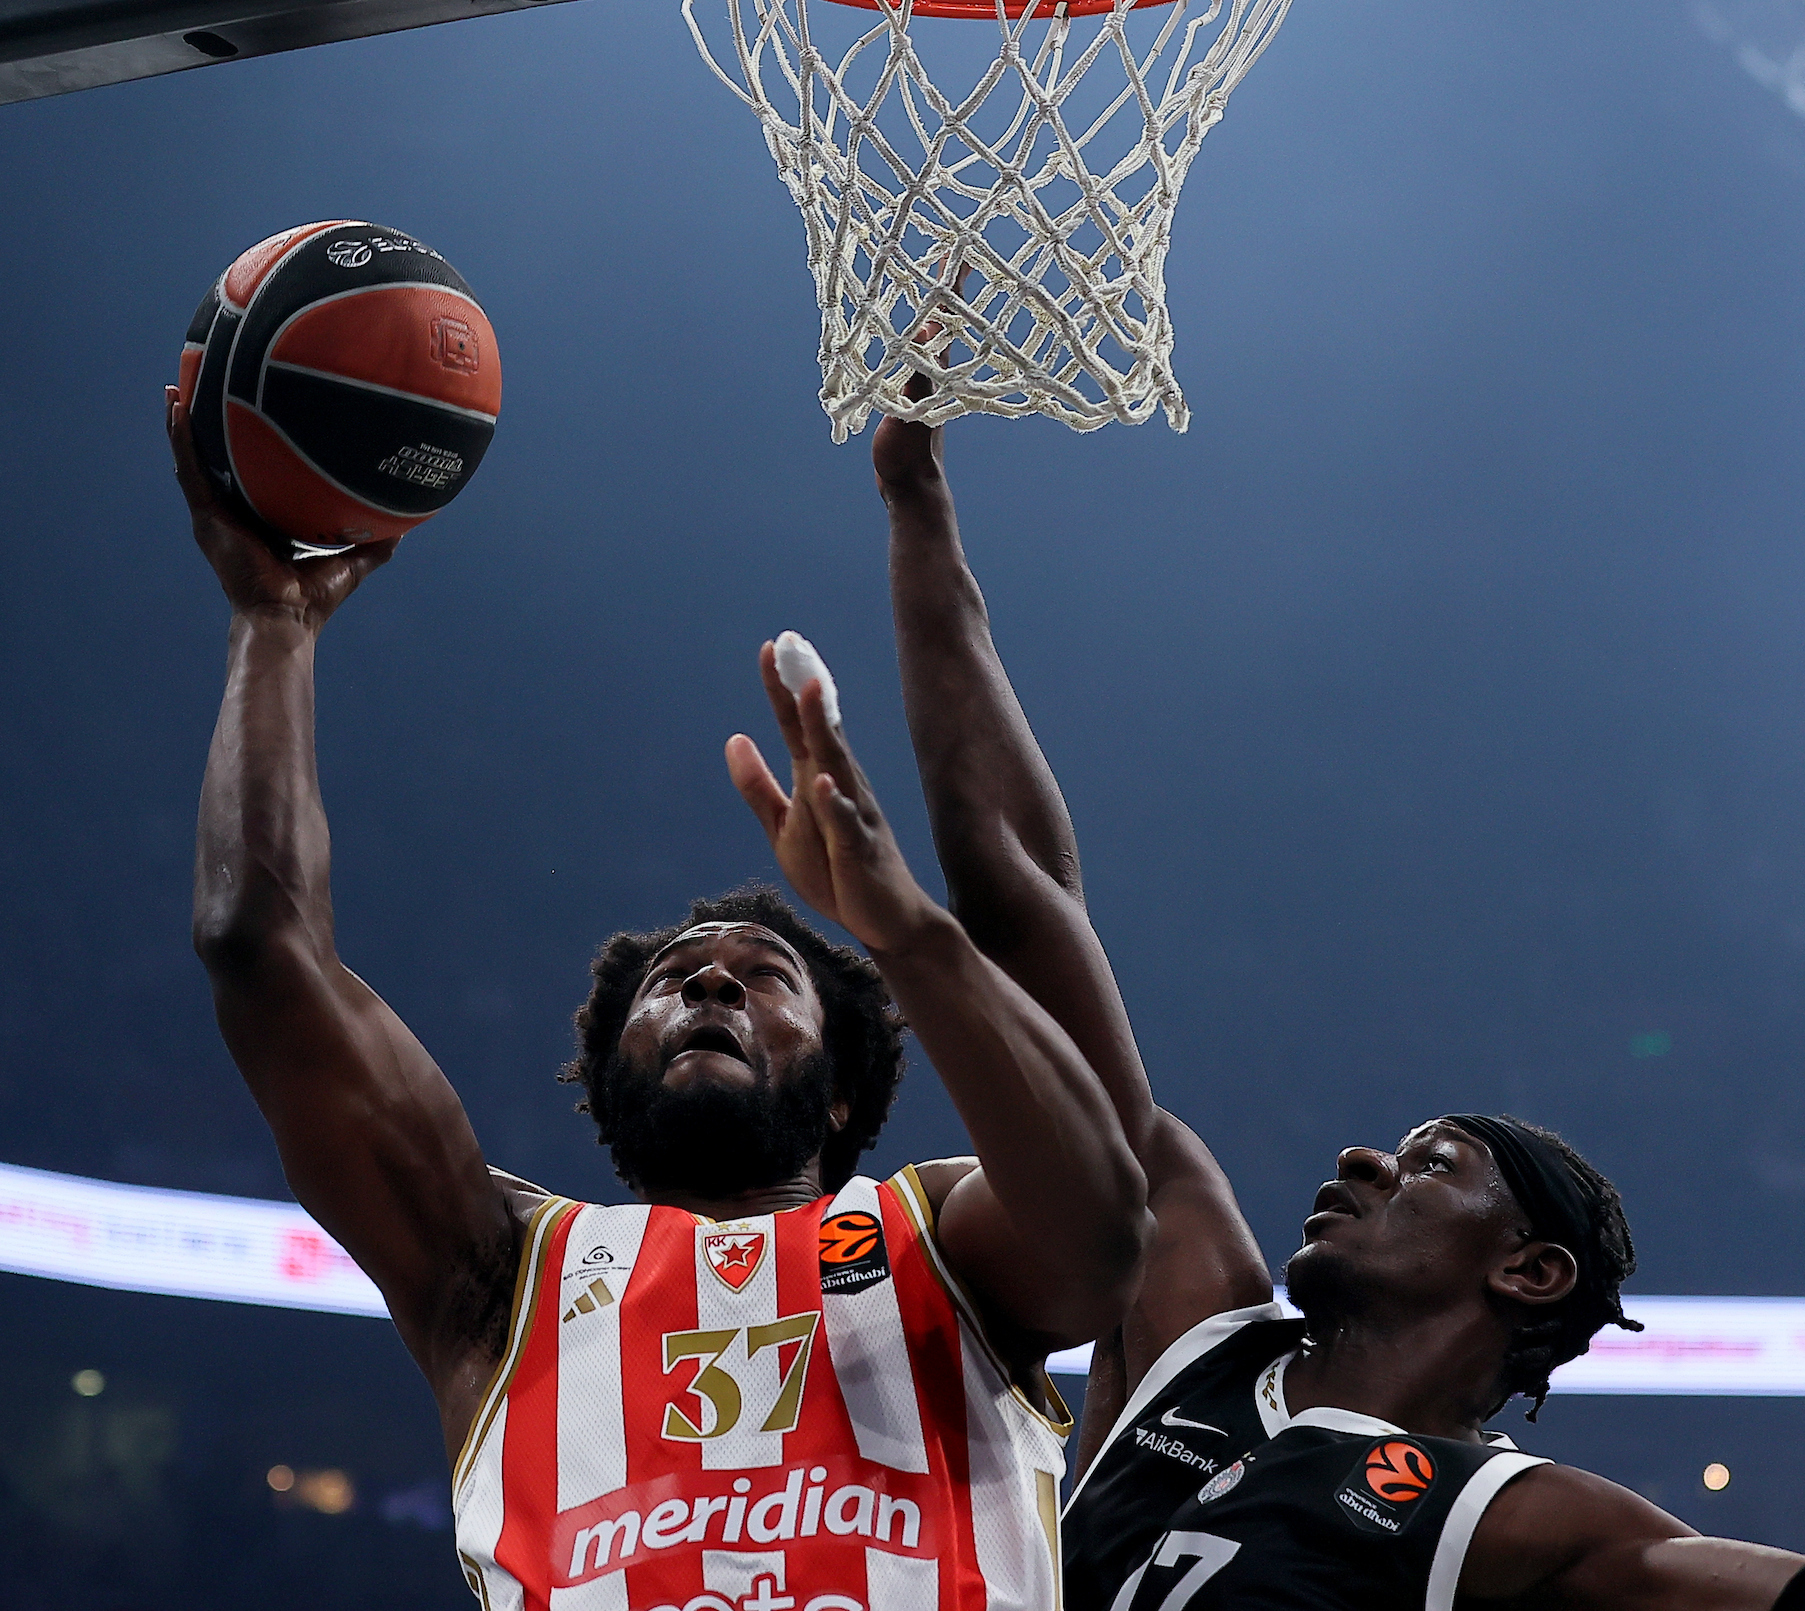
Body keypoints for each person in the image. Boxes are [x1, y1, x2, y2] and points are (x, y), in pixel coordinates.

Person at [869, 399, 1805, 1611]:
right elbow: (1024, 896)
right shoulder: (1196, 1314)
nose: (1361, 1155)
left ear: (1528, 1270)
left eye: (1432, 1163)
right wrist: (920, 511)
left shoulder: (1523, 1520)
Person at [162, 383, 1151, 1611]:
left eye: (761, 974)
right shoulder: (500, 1269)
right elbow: (261, 951)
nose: (711, 980)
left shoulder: (939, 1238)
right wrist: (273, 623)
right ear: (608, 1071)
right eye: (673, 981)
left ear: (846, 1088)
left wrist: (903, 929)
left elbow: (1106, 1229)